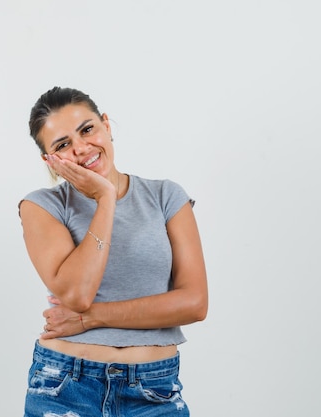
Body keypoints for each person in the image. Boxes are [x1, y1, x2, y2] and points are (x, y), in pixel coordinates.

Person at [18, 86, 208, 417]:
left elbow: (194, 303)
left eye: (87, 129)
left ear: (106, 125)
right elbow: (78, 294)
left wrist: (91, 318)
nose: (80, 148)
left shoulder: (166, 196)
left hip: (154, 391)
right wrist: (105, 199)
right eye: (62, 145)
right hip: (65, 388)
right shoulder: (42, 206)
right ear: (50, 159)